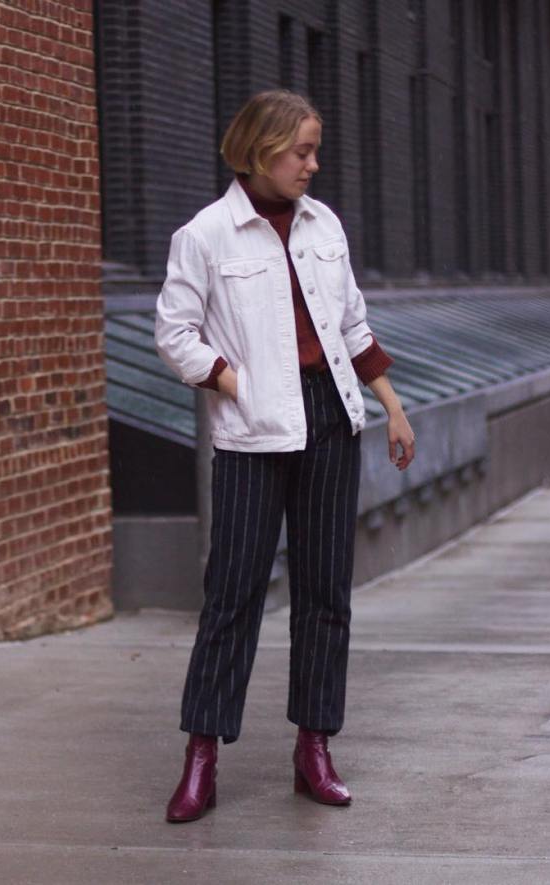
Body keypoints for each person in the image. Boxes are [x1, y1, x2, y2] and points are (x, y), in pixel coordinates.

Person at [154, 89, 415, 823]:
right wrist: (234, 381)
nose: (312, 162)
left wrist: (391, 407)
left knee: (325, 592)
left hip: (332, 417)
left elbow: (353, 324)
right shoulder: (205, 235)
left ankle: (313, 748)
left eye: (314, 148)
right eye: (300, 150)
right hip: (253, 431)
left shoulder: (322, 223)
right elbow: (175, 334)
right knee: (232, 594)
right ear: (259, 149)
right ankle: (201, 756)